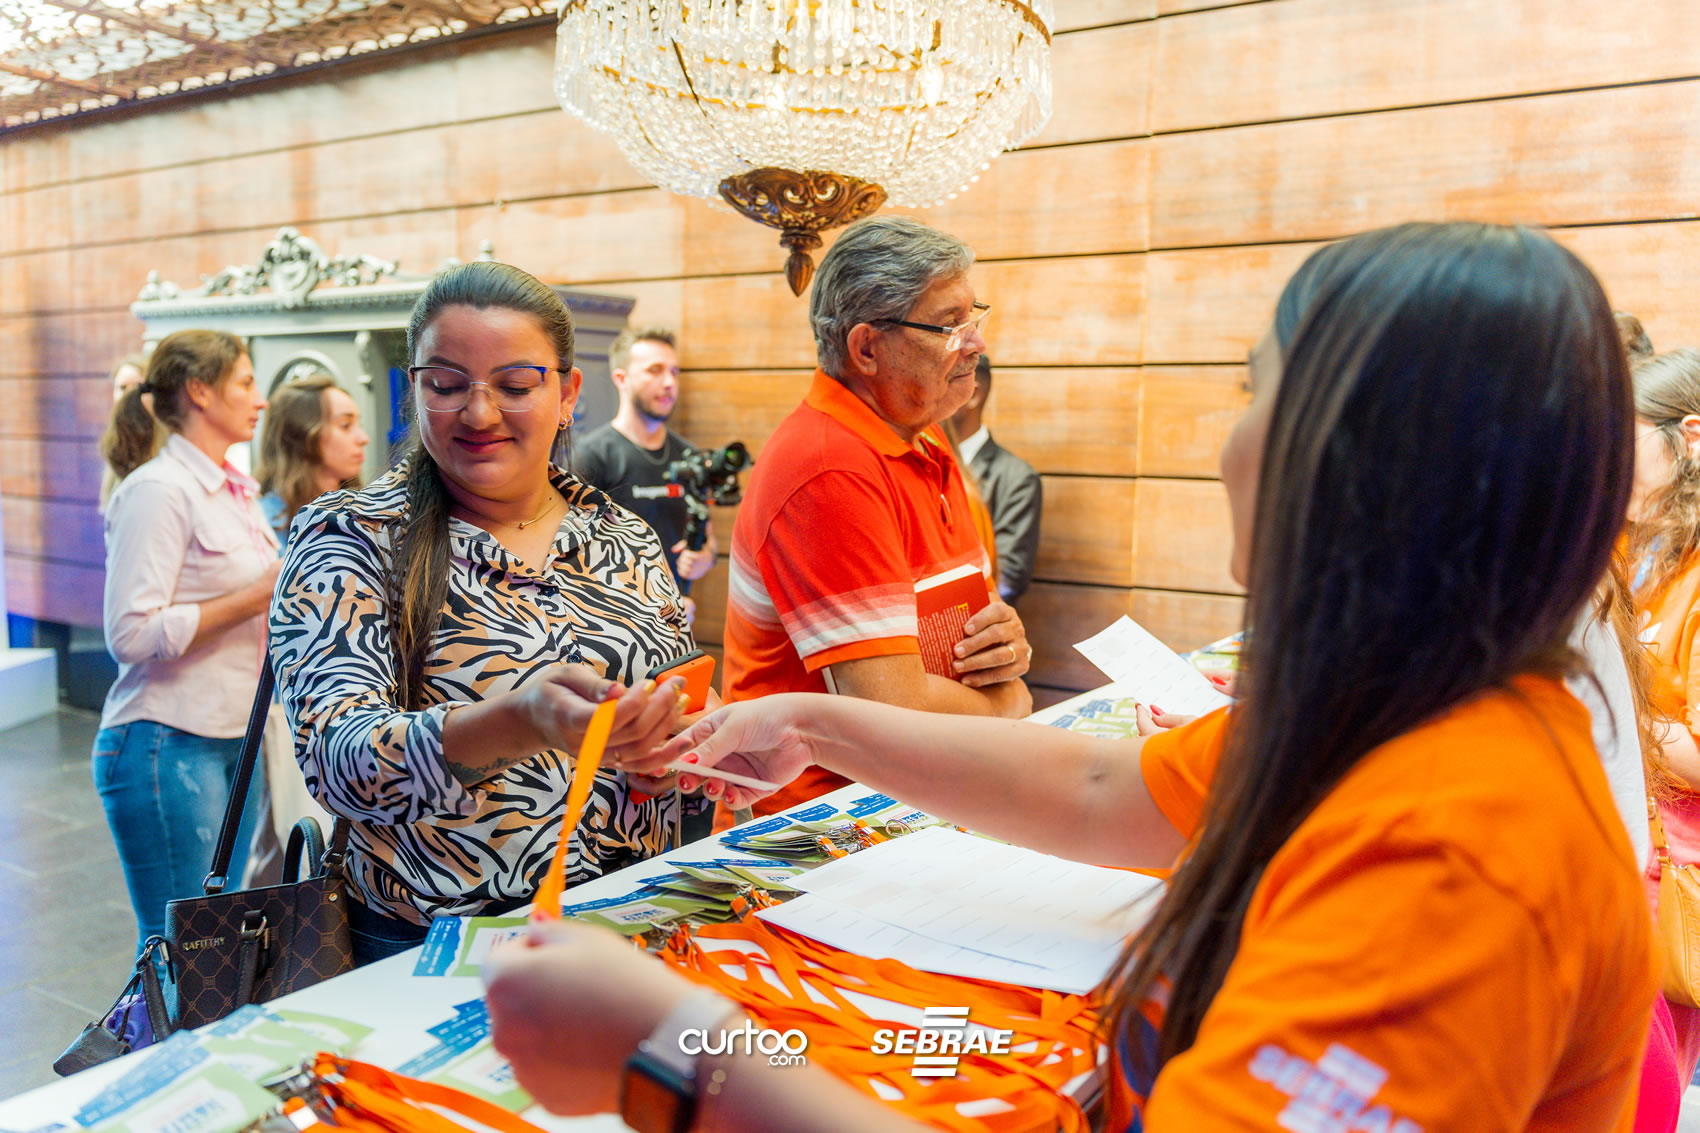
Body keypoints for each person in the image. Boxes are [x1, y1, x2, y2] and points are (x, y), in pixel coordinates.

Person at [484, 222, 1656, 1131]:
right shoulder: (1395, 711)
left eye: (1253, 391)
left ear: (1356, 455)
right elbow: (1103, 790)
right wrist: (812, 723)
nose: (1226, 441)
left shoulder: (1454, 852)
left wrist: (677, 1051)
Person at [268, 260, 705, 966]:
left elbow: (678, 696)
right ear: (415, 389)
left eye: (515, 385)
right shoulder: (352, 537)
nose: (479, 413)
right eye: (446, 385)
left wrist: (670, 747)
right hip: (433, 946)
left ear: (567, 394)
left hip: (627, 922)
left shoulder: (623, 536)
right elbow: (338, 760)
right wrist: (523, 720)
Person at [722, 216, 1032, 813]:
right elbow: (894, 713)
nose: (976, 343)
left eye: (973, 317)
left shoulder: (925, 434)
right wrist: (1008, 703)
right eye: (949, 325)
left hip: (925, 788)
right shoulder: (827, 468)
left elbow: (977, 630)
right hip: (821, 821)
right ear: (867, 348)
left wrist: (1008, 652)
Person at [94, 330, 275, 955]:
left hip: (233, 737)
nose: (261, 399)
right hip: (166, 741)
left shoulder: (231, 487)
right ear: (200, 391)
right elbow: (129, 632)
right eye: (246, 382)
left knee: (216, 949)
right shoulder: (158, 490)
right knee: (183, 953)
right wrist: (257, 595)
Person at [1625, 347, 1700, 1104]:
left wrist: (1614, 705)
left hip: (1678, 876)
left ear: (1690, 437)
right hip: (1635, 854)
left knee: (1648, 1084)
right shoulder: (1646, 547)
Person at [574, 328, 718, 621]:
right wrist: (651, 606)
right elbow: (576, 561)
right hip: (615, 624)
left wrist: (706, 558)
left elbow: (709, 539)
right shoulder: (591, 456)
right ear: (621, 379)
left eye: (674, 372)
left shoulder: (688, 455)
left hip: (678, 621)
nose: (669, 383)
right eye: (655, 370)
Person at [947, 354, 1042, 604]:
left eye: (942, 382)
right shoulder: (923, 461)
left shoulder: (1017, 478)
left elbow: (1009, 580)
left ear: (972, 394)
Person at [255, 372, 371, 544]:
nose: (364, 438)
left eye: (358, 424)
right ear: (304, 435)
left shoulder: (369, 514)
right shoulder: (260, 524)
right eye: (345, 425)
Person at [98, 353, 160, 512]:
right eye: (122, 388)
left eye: (138, 388)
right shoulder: (115, 439)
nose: (129, 395)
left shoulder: (164, 440)